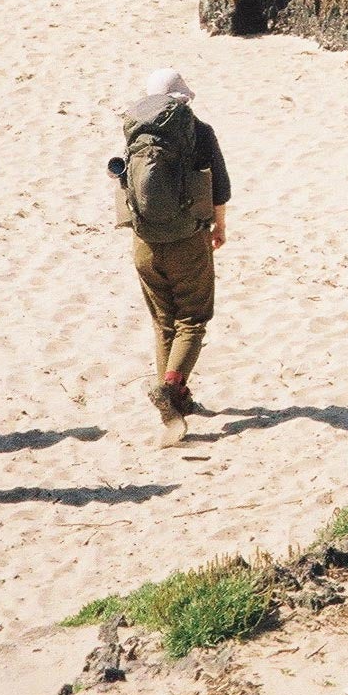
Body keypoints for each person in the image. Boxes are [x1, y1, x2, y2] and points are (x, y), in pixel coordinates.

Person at [115, 68, 231, 437]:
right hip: (187, 240)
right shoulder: (200, 131)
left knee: (163, 321)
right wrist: (220, 227)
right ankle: (169, 387)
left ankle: (175, 406)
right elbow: (220, 189)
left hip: (144, 243)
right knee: (193, 319)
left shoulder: (136, 130)